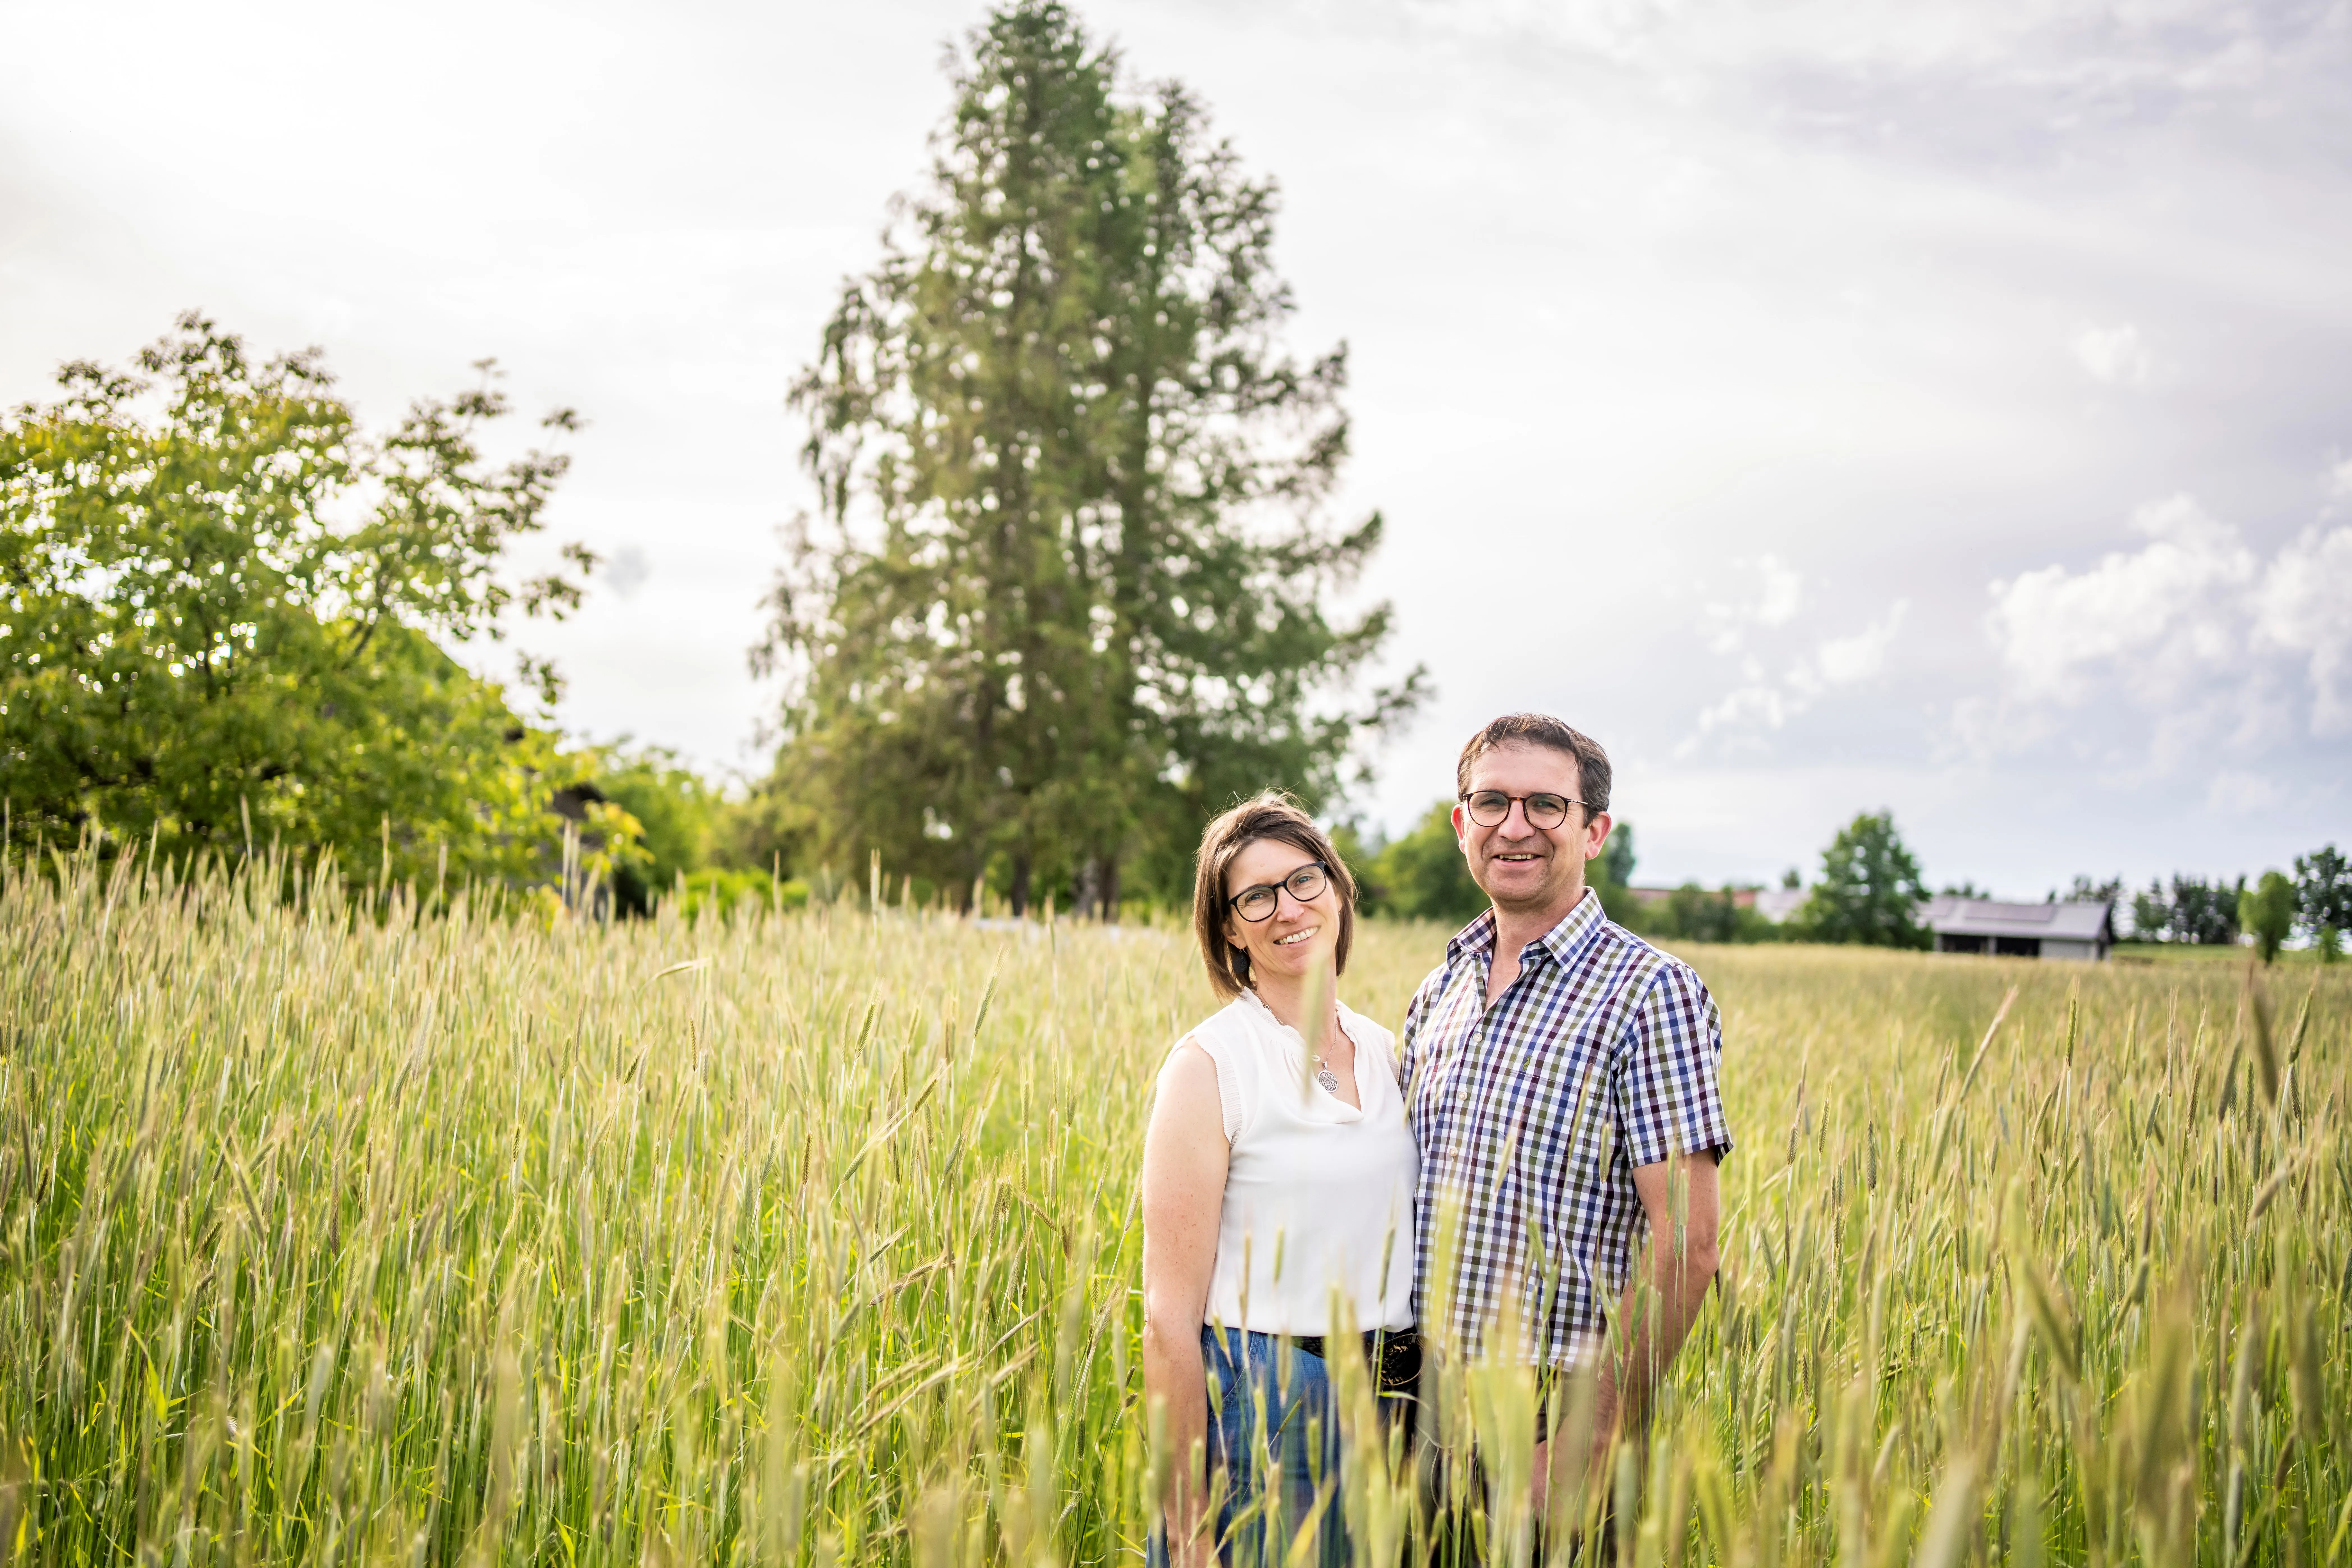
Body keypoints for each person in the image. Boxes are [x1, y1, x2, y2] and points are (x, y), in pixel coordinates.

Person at [1402, 713, 1731, 1516]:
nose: (1515, 827)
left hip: (1554, 1413)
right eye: (1491, 803)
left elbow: (1686, 1241)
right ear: (1461, 825)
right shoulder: (1437, 993)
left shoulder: (1650, 993)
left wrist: (1591, 1431)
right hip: (1419, 1410)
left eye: (1546, 806)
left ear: (1594, 832)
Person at [1140, 793, 1420, 1568]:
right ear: (1228, 927)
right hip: (1268, 1400)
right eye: (1255, 896)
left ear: (1336, 889)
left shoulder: (1388, 1050)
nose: (1286, 908)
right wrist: (1188, 1522)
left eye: (1304, 880)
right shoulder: (1210, 1065)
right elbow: (1167, 1319)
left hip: (1394, 1400)